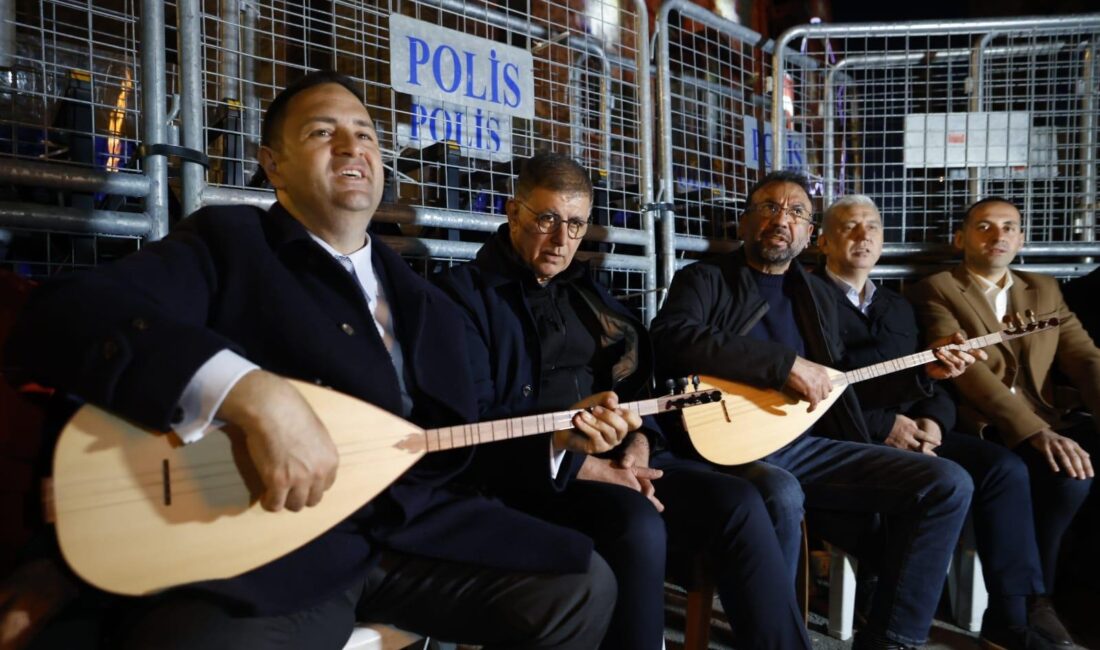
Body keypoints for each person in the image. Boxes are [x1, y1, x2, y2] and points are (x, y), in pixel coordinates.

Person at [3, 71, 616, 650]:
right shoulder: (232, 244)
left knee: (580, 584)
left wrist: (558, 438)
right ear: (273, 164)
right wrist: (248, 392)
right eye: (323, 131)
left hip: (406, 532)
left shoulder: (425, 301)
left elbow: (449, 447)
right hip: (272, 548)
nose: (352, 144)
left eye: (367, 134)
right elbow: (68, 313)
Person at [435, 152, 810, 650]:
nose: (561, 239)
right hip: (530, 473)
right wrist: (581, 464)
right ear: (513, 212)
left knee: (741, 500)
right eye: (546, 219)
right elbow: (475, 425)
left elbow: (639, 390)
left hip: (617, 457)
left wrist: (639, 447)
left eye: (575, 224)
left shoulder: (587, 292)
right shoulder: (460, 297)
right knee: (636, 522)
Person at [649, 169, 977, 650]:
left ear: (809, 236)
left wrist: (923, 375)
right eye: (768, 207)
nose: (782, 219)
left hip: (808, 443)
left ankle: (891, 640)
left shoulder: (816, 295)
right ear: (744, 222)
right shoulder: (705, 279)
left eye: (797, 213)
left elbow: (843, 383)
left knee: (947, 482)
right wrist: (783, 365)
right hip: (726, 444)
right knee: (778, 493)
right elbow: (673, 338)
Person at [818, 193, 1064, 649]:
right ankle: (887, 602)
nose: (863, 235)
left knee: (1003, 470)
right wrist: (884, 426)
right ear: (824, 241)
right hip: (854, 434)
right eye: (850, 226)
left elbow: (935, 380)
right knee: (935, 483)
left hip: (919, 431)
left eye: (872, 226)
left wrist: (932, 422)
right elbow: (819, 388)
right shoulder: (807, 300)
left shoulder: (898, 306)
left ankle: (1012, 616)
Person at [908, 196, 1099, 648]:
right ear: (961, 238)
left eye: (1009, 227)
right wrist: (1034, 432)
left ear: (1022, 237)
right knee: (1067, 478)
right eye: (985, 227)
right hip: (984, 424)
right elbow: (967, 371)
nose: (999, 236)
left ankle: (1076, 600)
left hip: (1050, 416)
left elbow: (1086, 359)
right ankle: (1037, 602)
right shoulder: (935, 288)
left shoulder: (1045, 289)